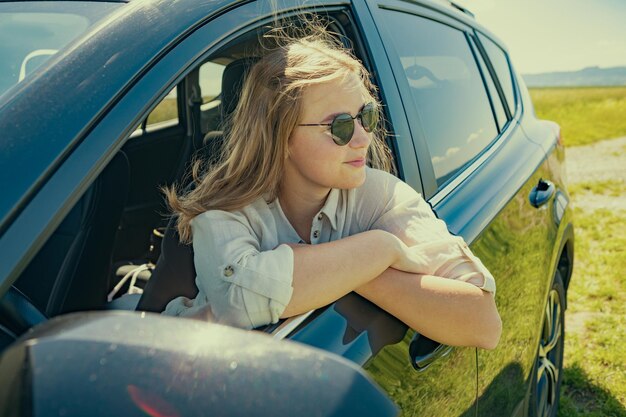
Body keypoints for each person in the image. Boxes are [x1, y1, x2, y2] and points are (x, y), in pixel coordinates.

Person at [162, 25, 502, 349]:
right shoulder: (224, 208)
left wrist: (349, 270)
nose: (363, 137)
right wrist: (381, 250)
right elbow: (237, 301)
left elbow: (483, 322)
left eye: (366, 116)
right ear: (280, 137)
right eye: (339, 126)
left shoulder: (379, 194)